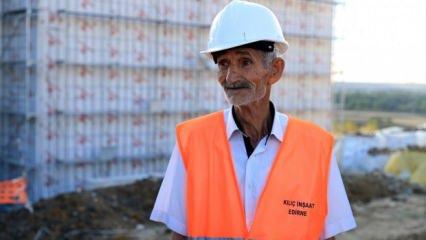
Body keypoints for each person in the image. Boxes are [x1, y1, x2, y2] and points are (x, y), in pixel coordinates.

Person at [150, 1, 356, 239]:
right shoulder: (193, 141)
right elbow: (180, 234)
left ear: (275, 70)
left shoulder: (315, 147)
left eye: (245, 62)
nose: (230, 76)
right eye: (223, 63)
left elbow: (327, 235)